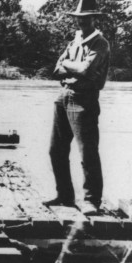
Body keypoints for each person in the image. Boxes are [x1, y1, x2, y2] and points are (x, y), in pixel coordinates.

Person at [43, 0, 110, 215]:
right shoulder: (75, 40)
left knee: (87, 153)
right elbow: (55, 71)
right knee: (56, 150)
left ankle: (91, 200)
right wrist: (73, 68)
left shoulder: (100, 43)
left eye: (86, 17)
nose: (82, 21)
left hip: (85, 99)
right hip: (64, 97)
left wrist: (68, 66)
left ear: (94, 19)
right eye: (79, 17)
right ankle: (64, 196)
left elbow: (85, 70)